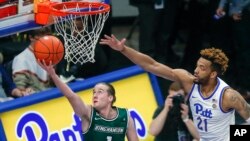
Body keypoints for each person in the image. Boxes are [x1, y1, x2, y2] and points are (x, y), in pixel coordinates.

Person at [100, 34, 250, 141]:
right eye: (197, 65)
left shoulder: (229, 96)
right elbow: (152, 65)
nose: (196, 70)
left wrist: (232, 135)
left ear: (213, 74)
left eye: (202, 68)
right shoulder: (189, 81)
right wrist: (123, 49)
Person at [37, 60, 139, 141]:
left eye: (100, 92)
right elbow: (71, 96)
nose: (95, 95)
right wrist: (54, 75)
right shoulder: (88, 113)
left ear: (110, 98)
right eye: (94, 92)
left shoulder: (125, 117)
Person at [216, 0, 250, 92]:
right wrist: (222, 5)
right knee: (232, 50)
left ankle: (245, 87)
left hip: (244, 12)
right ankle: (234, 83)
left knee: (244, 52)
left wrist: (239, 9)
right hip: (231, 11)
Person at [12, 27, 54, 96]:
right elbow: (20, 88)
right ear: (31, 37)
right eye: (41, 38)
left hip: (50, 94)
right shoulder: (21, 59)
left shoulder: (49, 54)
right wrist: (27, 90)